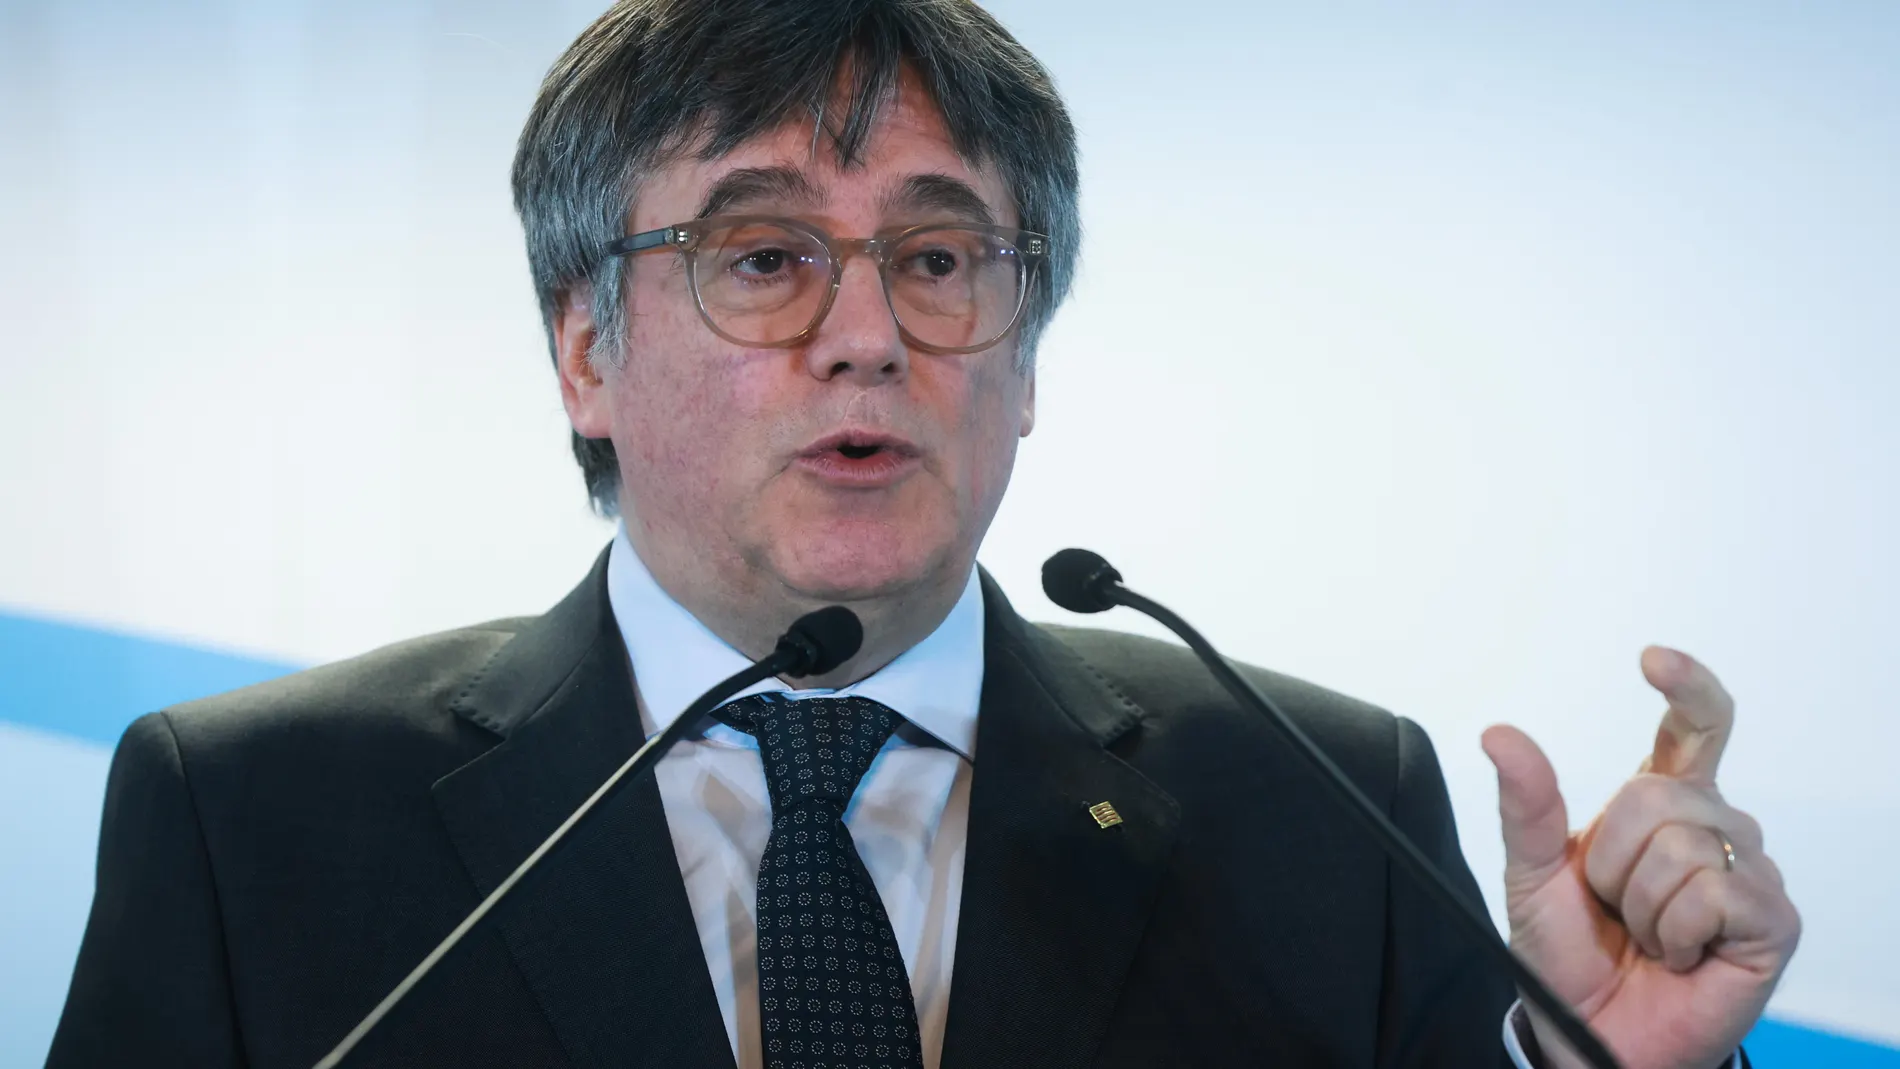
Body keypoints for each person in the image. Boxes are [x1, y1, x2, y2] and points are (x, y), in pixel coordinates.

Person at [48, 1, 1799, 1066]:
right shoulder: (255, 821)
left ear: (1023, 358)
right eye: (763, 256)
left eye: (942, 259)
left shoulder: (1324, 804)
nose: (871, 330)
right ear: (587, 348)